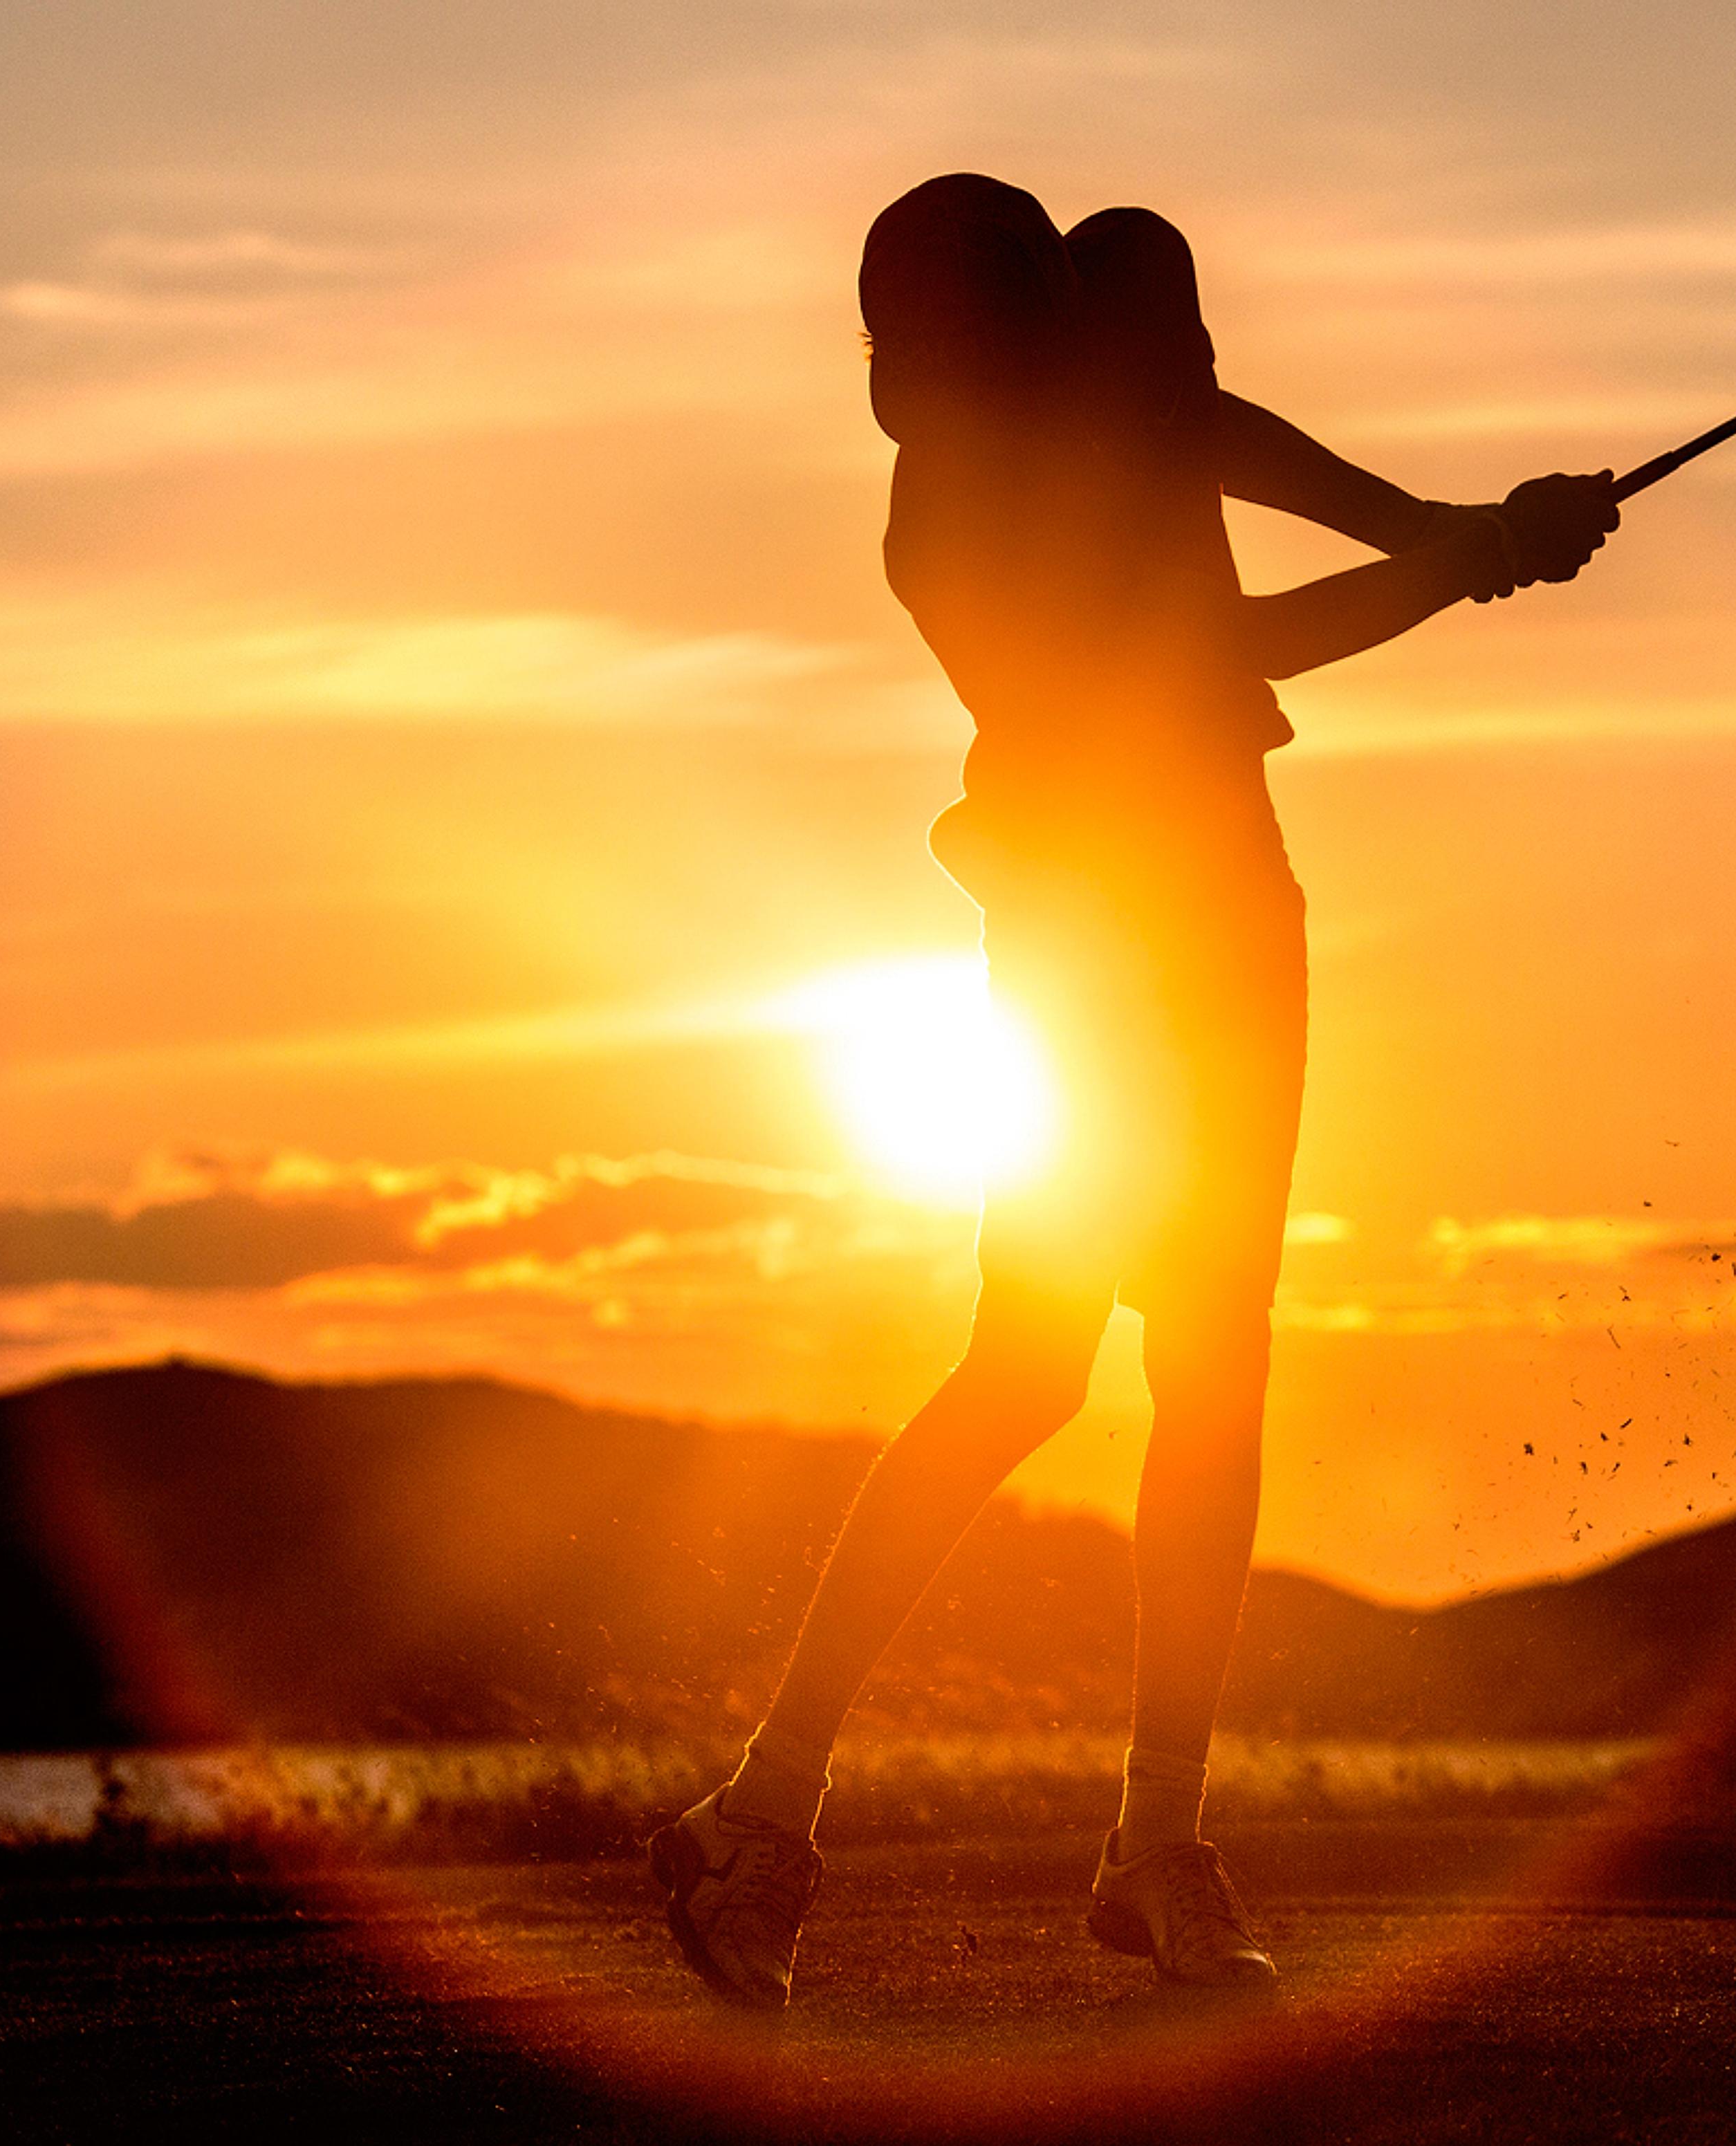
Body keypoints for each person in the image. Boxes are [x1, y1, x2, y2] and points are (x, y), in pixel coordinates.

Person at [647, 174, 1617, 2010]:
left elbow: (1210, 431)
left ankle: (1155, 1849)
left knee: (1217, 1365)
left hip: (1237, 908)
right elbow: (1208, 654)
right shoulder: (939, 519)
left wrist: (1453, 528)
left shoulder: (1107, 409)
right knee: (1029, 1364)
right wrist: (1453, 557)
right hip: (1088, 937)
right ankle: (756, 1824)